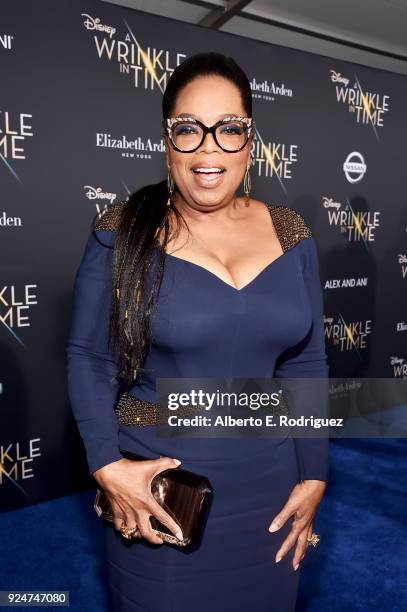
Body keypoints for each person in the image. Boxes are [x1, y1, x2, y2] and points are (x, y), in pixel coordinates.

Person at [66, 52, 329, 612]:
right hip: (166, 494)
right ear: (166, 141)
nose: (209, 149)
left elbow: (306, 364)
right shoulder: (123, 230)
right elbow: (89, 357)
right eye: (189, 129)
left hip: (271, 489)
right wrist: (107, 466)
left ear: (250, 140)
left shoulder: (292, 234)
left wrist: (315, 474)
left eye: (228, 129)